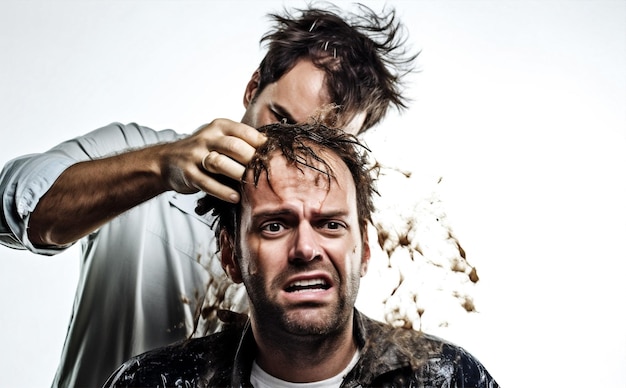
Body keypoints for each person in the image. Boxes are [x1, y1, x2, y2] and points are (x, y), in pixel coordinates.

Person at [0, 3, 418, 387]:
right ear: (253, 88)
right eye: (280, 119)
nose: (287, 149)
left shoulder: (321, 246)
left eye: (315, 141)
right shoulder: (135, 155)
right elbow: (16, 209)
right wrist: (158, 167)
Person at [103, 122, 499, 387]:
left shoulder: (448, 379)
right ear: (230, 253)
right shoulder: (153, 381)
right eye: (275, 225)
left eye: (330, 224)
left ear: (363, 248)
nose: (306, 249)